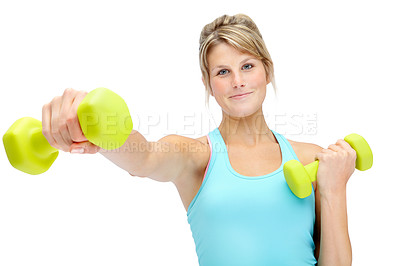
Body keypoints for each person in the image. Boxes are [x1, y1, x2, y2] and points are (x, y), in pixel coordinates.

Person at [42, 14, 354, 266]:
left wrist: (334, 188)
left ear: (267, 70)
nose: (238, 81)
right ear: (207, 83)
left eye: (247, 66)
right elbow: (144, 157)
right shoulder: (196, 157)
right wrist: (102, 132)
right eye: (222, 72)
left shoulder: (312, 159)